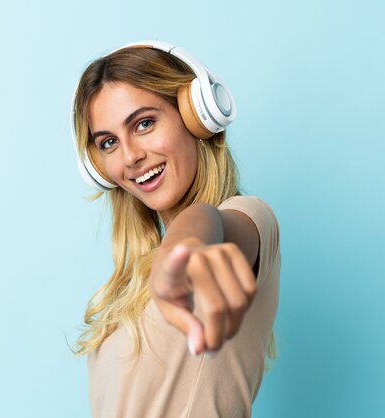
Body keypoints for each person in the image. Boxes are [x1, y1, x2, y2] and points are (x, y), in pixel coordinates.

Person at [70, 41, 281, 418]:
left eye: (144, 123)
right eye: (109, 143)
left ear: (196, 116)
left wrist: (184, 248)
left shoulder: (249, 217)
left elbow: (207, 222)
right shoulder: (131, 287)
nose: (131, 155)